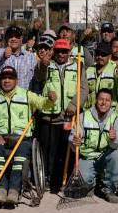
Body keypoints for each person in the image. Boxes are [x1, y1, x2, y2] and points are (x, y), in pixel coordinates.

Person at [0, 65, 54, 208]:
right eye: (4, 78)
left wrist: (50, 100)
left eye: (10, 78)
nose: (7, 81)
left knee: (21, 156)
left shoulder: (26, 95)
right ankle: (1, 189)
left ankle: (14, 190)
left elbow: (43, 104)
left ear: (16, 81)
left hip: (21, 138)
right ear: (0, 80)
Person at [33, 38, 89, 193]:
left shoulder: (78, 66)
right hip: (49, 117)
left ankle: (63, 179)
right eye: (58, 51)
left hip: (68, 116)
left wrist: (73, 105)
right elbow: (39, 78)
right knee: (47, 150)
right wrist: (42, 65)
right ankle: (45, 178)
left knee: (66, 149)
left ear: (69, 51)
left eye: (64, 51)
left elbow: (84, 89)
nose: (61, 54)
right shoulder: (45, 65)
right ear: (53, 51)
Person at [69, 87, 118, 203]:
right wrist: (75, 141)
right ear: (96, 100)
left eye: (107, 100)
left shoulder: (116, 119)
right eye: (101, 99)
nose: (104, 103)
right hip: (87, 157)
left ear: (111, 103)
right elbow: (73, 136)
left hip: (105, 157)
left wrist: (113, 139)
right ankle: (91, 184)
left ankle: (109, 190)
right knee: (81, 183)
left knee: (117, 155)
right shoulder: (83, 117)